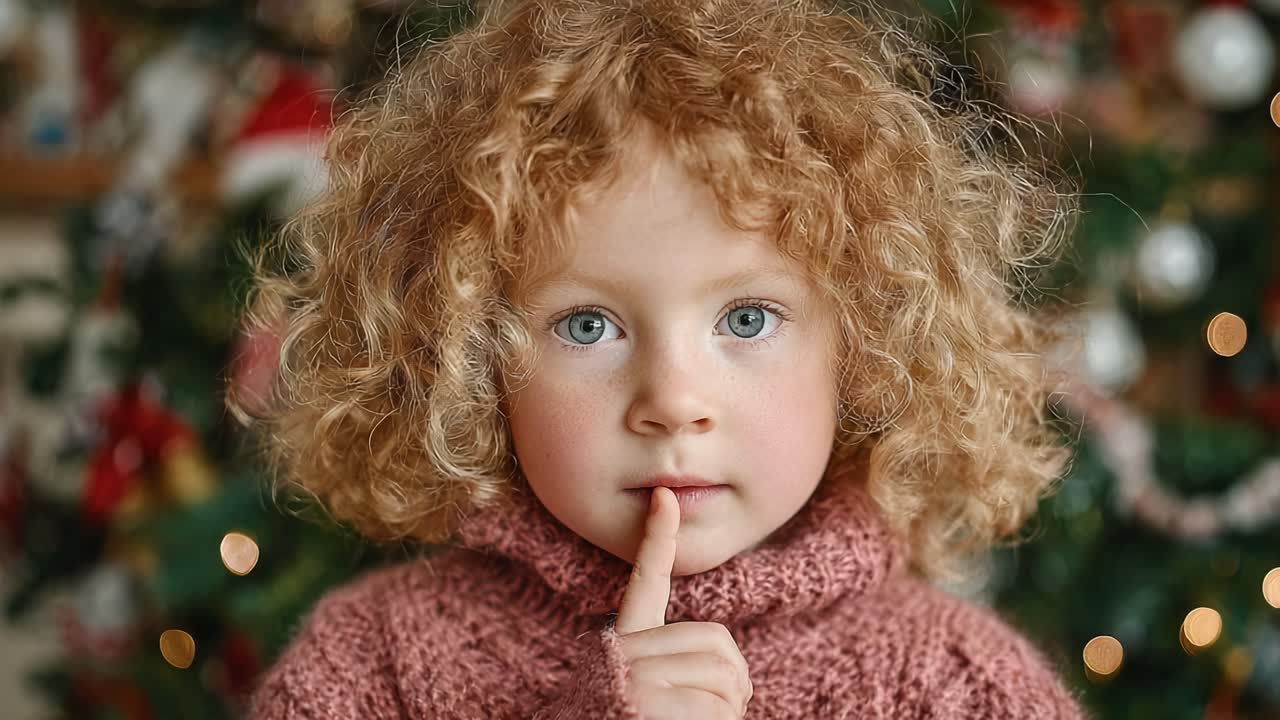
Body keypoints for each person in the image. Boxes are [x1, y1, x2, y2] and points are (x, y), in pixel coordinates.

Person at [233, 0, 1089, 717]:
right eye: (588, 327)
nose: (674, 401)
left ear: (866, 346)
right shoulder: (370, 664)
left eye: (747, 318)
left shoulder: (960, 687)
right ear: (467, 360)